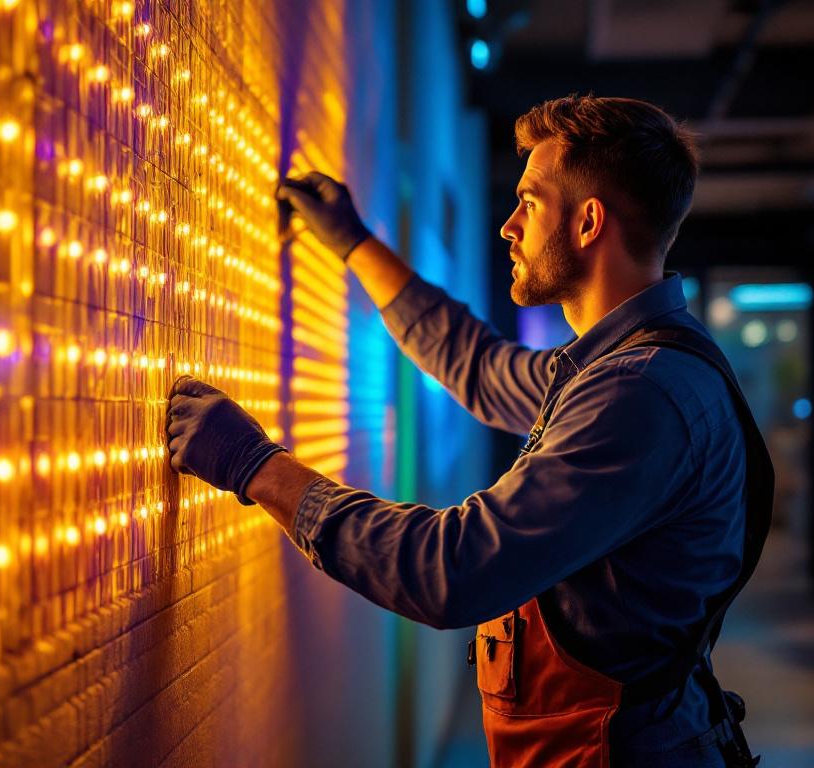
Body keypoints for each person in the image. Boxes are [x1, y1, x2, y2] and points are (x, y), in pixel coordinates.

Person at [165, 95, 773, 768]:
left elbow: (452, 570)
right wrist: (354, 244)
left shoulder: (638, 395)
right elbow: (479, 368)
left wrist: (256, 466)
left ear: (588, 222)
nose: (509, 227)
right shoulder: (620, 370)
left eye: (530, 204)